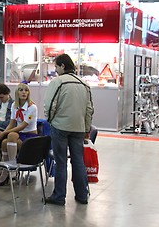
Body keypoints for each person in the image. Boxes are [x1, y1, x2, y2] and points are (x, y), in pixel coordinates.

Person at [43, 53, 94, 205]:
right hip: (78, 128)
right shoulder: (84, 84)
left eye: (56, 66)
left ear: (62, 66)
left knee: (61, 162)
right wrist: (86, 128)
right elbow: (89, 109)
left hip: (60, 126)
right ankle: (82, 195)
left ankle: (59, 196)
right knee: (78, 161)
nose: (56, 70)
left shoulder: (58, 82)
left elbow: (49, 105)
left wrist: (51, 120)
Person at [0, 83, 38, 186]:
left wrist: (4, 132)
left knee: (11, 135)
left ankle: (13, 168)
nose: (24, 92)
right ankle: (6, 171)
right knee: (4, 143)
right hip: (19, 134)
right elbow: (12, 123)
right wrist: (3, 134)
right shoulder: (14, 106)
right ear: (17, 92)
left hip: (29, 136)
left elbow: (22, 126)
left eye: (26, 90)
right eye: (21, 90)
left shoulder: (32, 107)